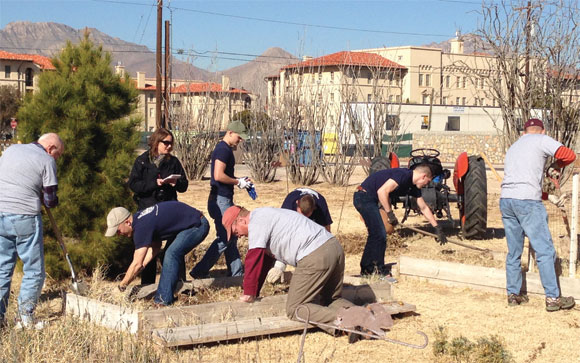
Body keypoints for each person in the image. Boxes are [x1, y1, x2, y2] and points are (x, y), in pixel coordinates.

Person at [223, 205, 354, 335]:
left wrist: (248, 292)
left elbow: (254, 257)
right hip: (333, 246)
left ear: (241, 220)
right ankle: (366, 317)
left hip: (314, 254)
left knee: (295, 308)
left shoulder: (256, 221)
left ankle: (345, 323)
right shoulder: (267, 215)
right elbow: (264, 259)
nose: (239, 236)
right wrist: (254, 291)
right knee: (331, 300)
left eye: (235, 232)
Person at [500, 118, 576, 311]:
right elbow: (569, 155)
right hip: (527, 202)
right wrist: (557, 166)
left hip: (507, 201)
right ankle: (552, 298)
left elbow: (520, 182)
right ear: (542, 131)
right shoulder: (542, 140)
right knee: (544, 250)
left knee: (514, 251)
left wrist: (546, 196)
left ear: (524, 132)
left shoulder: (514, 147)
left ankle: (513, 294)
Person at [0, 133, 64, 328]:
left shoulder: (10, 150)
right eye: (58, 155)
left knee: (2, 268)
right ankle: (25, 318)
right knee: (34, 271)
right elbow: (50, 200)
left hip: (1, 214)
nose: (56, 159)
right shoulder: (46, 160)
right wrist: (46, 196)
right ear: (51, 148)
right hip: (25, 216)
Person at [105, 201, 209, 306]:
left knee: (171, 254)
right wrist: (143, 264)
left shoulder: (141, 227)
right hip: (187, 226)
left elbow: (136, 263)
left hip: (197, 225)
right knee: (166, 255)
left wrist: (122, 286)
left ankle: (163, 301)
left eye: (118, 231)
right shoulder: (140, 220)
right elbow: (156, 245)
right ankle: (176, 288)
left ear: (127, 222)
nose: (118, 235)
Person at [353, 164, 445, 282]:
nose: (426, 185)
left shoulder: (412, 186)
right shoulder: (403, 175)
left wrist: (437, 228)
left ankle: (367, 269)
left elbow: (423, 208)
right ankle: (377, 270)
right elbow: (382, 192)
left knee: (376, 233)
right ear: (423, 176)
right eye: (427, 182)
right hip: (363, 197)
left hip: (369, 199)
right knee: (380, 233)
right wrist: (390, 214)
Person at [190, 120, 251, 279]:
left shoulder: (224, 149)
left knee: (231, 238)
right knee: (225, 238)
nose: (240, 140)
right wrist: (238, 182)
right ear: (230, 132)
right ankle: (199, 271)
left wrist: (239, 180)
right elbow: (218, 175)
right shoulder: (223, 150)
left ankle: (237, 275)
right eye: (239, 136)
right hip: (221, 200)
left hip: (222, 199)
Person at [128, 128, 188, 285]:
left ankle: (179, 282)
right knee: (149, 250)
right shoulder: (142, 161)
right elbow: (134, 184)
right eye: (166, 143)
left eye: (171, 143)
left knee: (175, 247)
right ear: (156, 142)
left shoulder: (173, 162)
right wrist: (154, 184)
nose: (169, 146)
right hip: (149, 210)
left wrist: (176, 182)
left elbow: (184, 185)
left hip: (169, 210)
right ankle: (147, 285)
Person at [266, 188, 333, 284]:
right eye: (301, 214)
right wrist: (279, 265)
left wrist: (328, 251)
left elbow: (326, 229)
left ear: (314, 209)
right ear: (297, 204)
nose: (303, 220)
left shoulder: (321, 205)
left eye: (307, 216)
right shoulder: (289, 203)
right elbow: (282, 235)